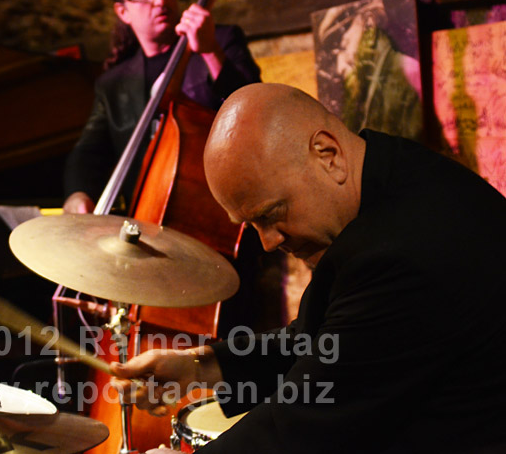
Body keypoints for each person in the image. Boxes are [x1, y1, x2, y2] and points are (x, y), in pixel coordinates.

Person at [111, 83, 506, 453]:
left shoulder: (401, 253)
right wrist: (200, 366)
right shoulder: (392, 172)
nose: (268, 242)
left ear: (328, 154)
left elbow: (297, 429)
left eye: (271, 214)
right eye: (251, 225)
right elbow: (326, 336)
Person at [62, 0, 261, 214]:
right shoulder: (113, 83)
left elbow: (255, 111)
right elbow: (89, 151)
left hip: (223, 212)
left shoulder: (221, 39)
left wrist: (211, 50)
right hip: (146, 218)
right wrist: (77, 194)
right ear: (123, 11)